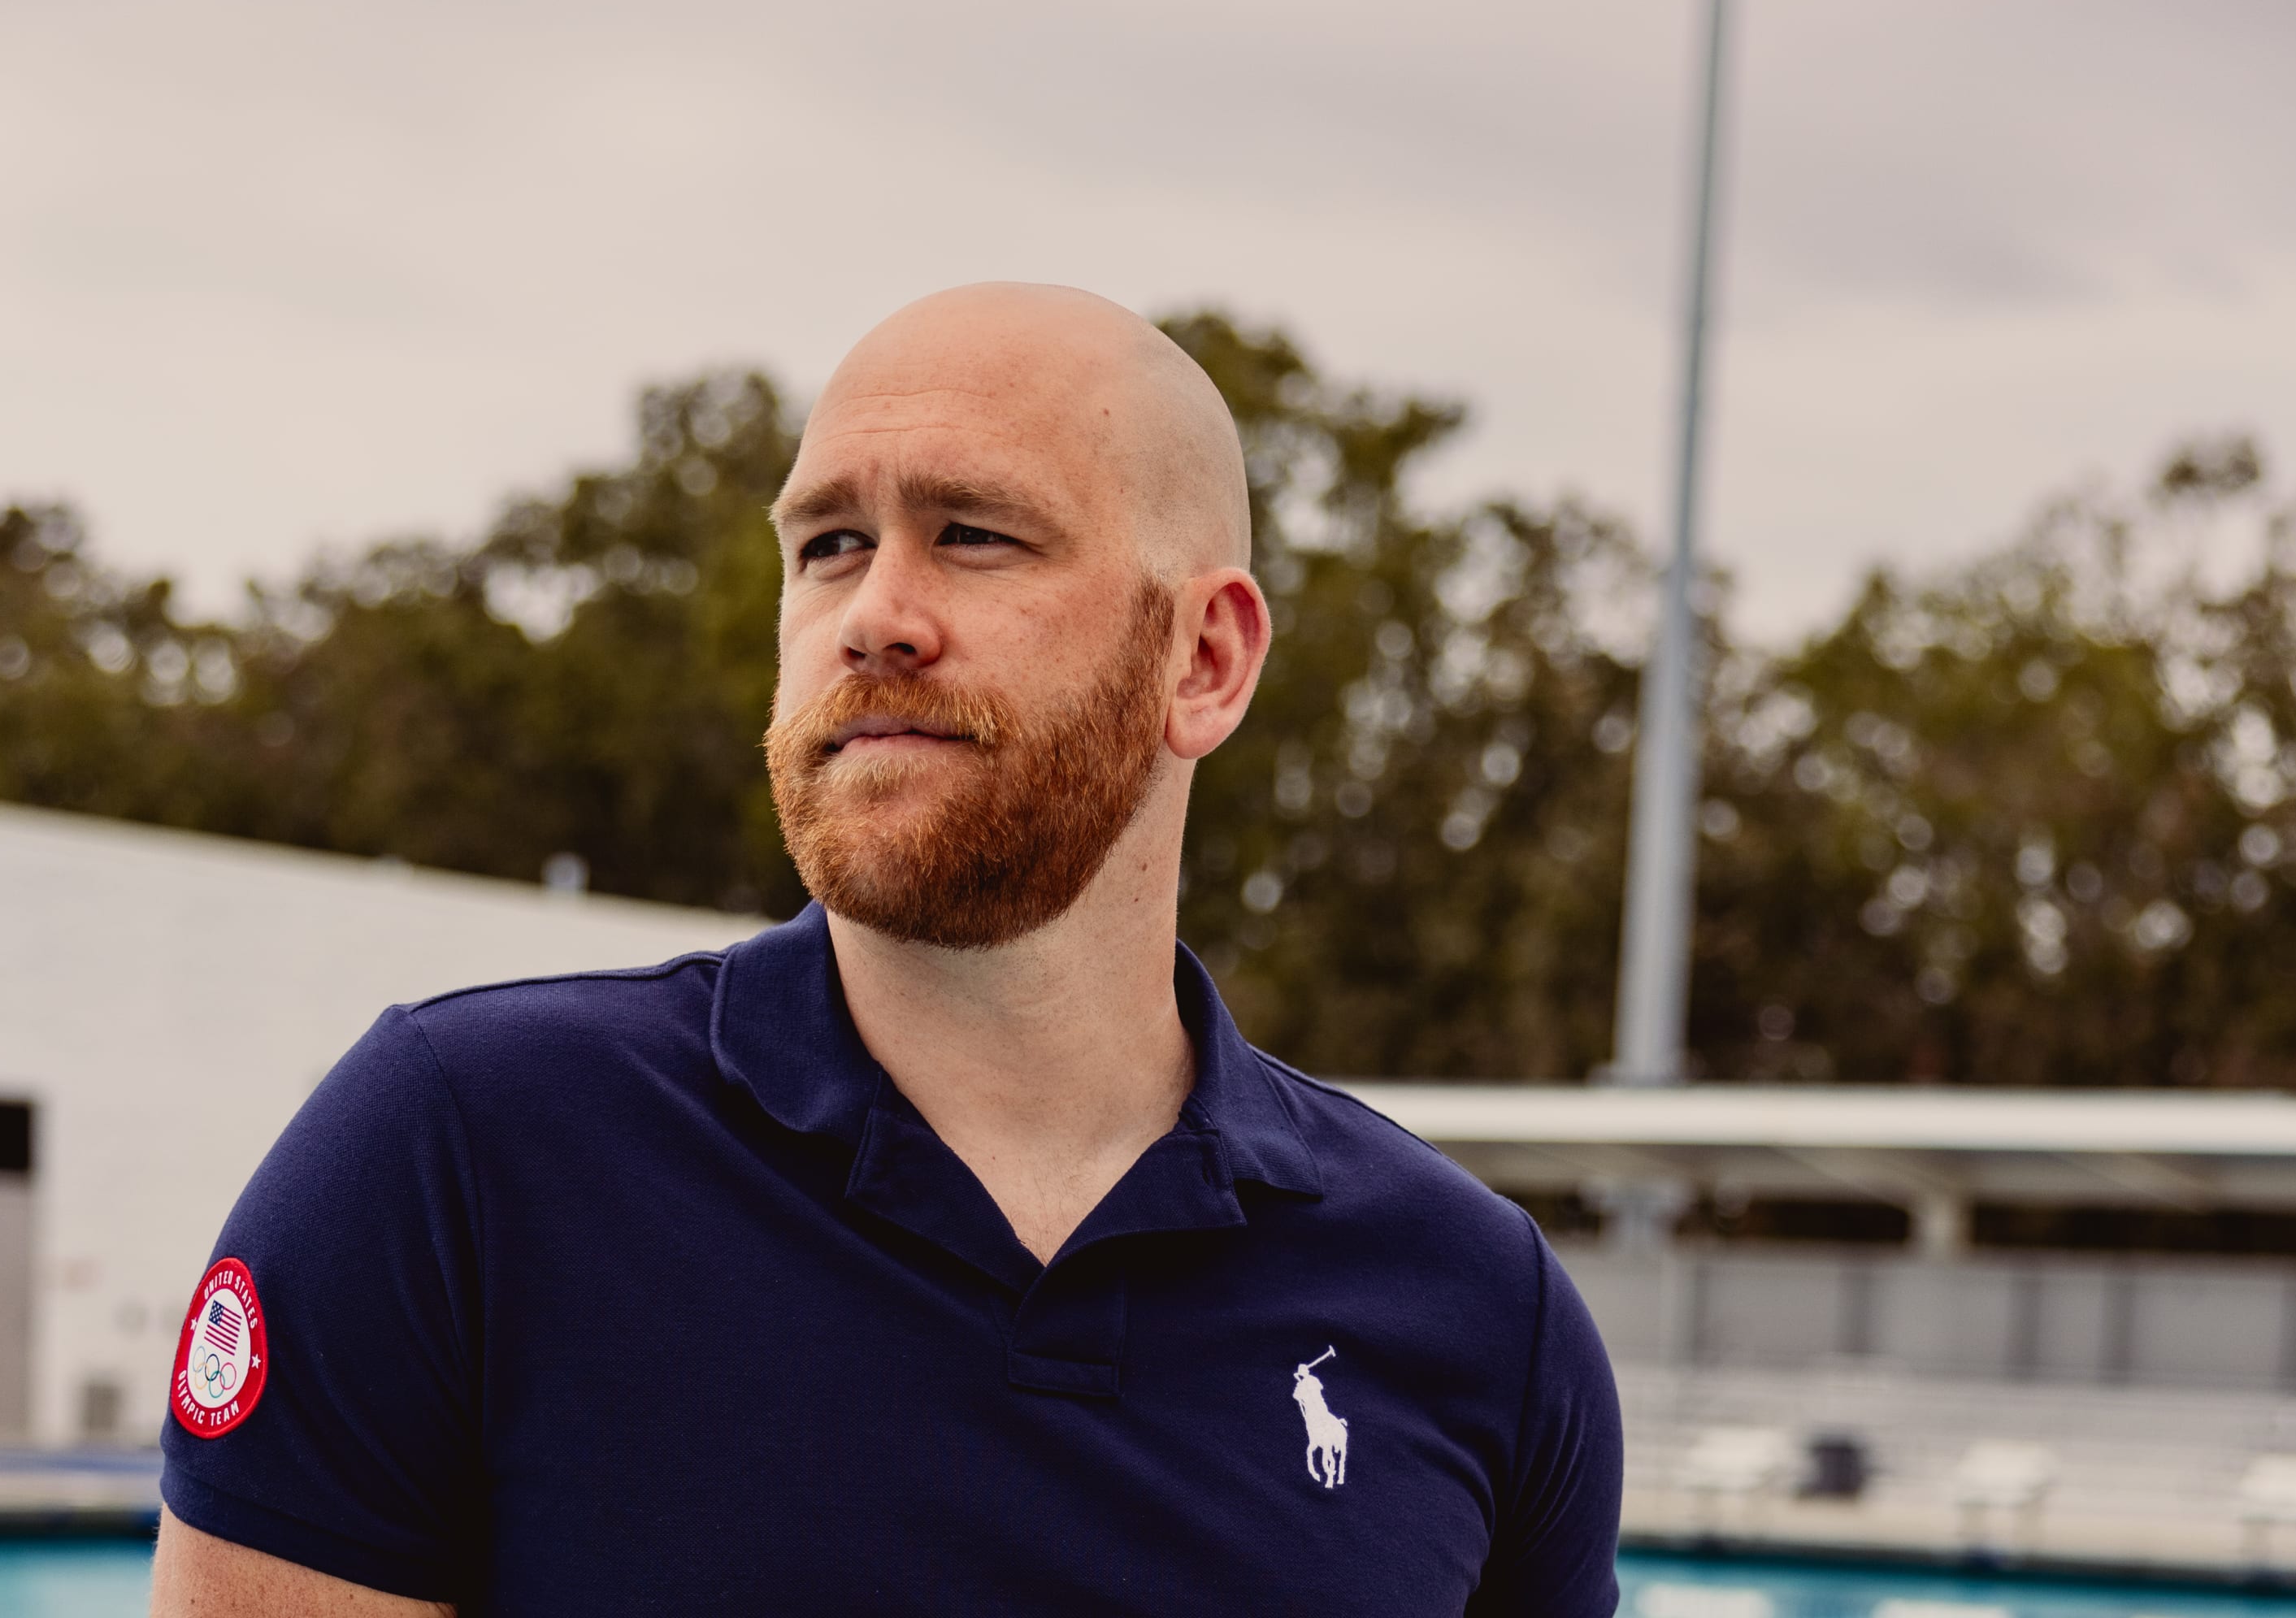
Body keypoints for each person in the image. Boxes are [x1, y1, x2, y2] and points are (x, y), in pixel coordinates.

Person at [150, 283, 1621, 1616]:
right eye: (831, 545)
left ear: (1206, 660)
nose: (875, 617)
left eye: (973, 535)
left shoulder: (1480, 1311)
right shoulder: (459, 1153)